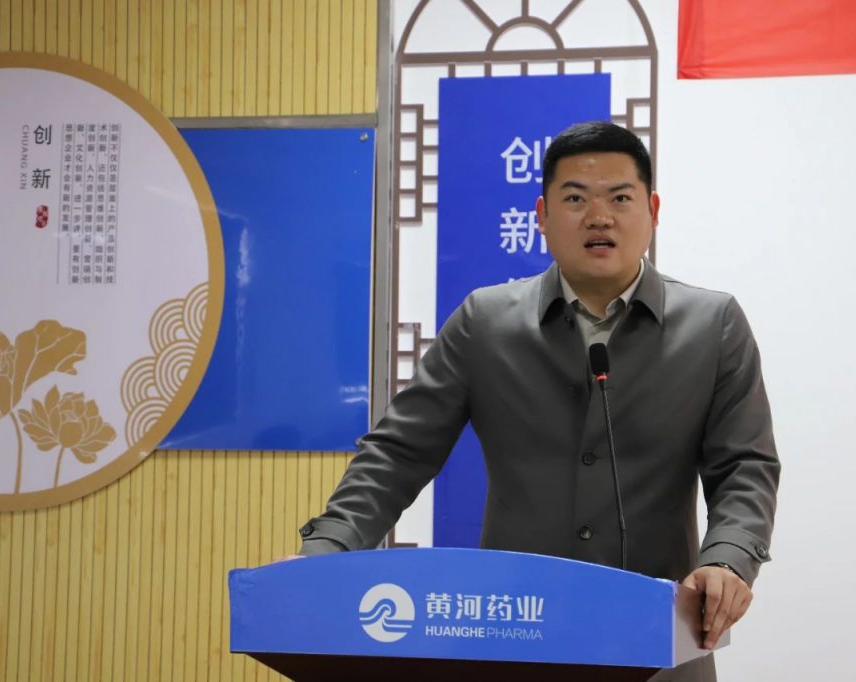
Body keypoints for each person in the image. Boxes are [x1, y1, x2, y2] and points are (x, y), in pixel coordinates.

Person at [296, 121, 780, 681]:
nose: (598, 217)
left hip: (660, 644)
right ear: (542, 216)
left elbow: (744, 466)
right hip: (516, 638)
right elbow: (398, 453)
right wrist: (328, 549)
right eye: (575, 199)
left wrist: (727, 560)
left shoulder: (712, 325)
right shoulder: (485, 322)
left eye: (620, 198)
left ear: (652, 210)